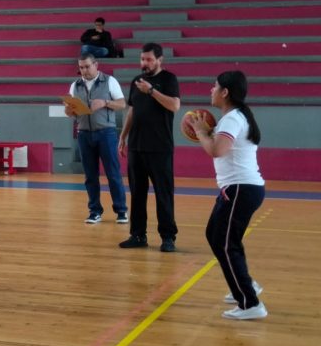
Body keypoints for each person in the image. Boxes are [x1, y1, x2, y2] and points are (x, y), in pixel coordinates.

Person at [191, 71, 267, 320]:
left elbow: (217, 150)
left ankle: (250, 304)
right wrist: (207, 133)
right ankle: (246, 285)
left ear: (225, 92)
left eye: (214, 87)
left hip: (241, 189)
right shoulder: (236, 117)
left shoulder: (233, 119)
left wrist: (201, 132)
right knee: (215, 235)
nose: (211, 91)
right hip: (238, 189)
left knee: (226, 243)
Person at [118, 42, 180, 252]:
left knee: (164, 194)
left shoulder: (169, 79)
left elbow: (175, 105)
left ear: (160, 60)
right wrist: (123, 136)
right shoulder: (136, 81)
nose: (144, 63)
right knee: (137, 193)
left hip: (160, 147)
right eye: (142, 59)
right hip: (136, 146)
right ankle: (137, 235)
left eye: (149, 60)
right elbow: (132, 111)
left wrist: (151, 91)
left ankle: (168, 237)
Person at [66, 53, 128, 224]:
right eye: (81, 67)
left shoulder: (110, 81)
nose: (84, 70)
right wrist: (69, 110)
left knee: (113, 173)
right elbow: (70, 111)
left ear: (96, 64)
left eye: (87, 66)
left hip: (106, 133)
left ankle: (121, 211)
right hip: (83, 134)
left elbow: (122, 104)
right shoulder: (75, 85)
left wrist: (105, 103)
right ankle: (94, 211)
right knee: (90, 176)